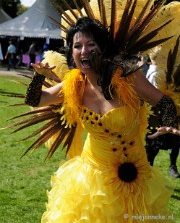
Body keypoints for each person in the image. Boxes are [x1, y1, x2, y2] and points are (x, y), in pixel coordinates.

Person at [21, 16, 178, 223]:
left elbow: (165, 102)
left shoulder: (128, 78)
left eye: (90, 44)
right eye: (77, 46)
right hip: (92, 181)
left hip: (136, 178)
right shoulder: (74, 84)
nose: (84, 51)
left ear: (102, 48)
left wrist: (167, 125)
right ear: (72, 53)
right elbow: (35, 100)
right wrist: (39, 75)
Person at [145, 47, 180, 178]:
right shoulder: (155, 73)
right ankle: (149, 170)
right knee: (153, 145)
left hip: (166, 114)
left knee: (174, 141)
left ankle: (171, 166)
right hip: (156, 116)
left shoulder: (161, 71)